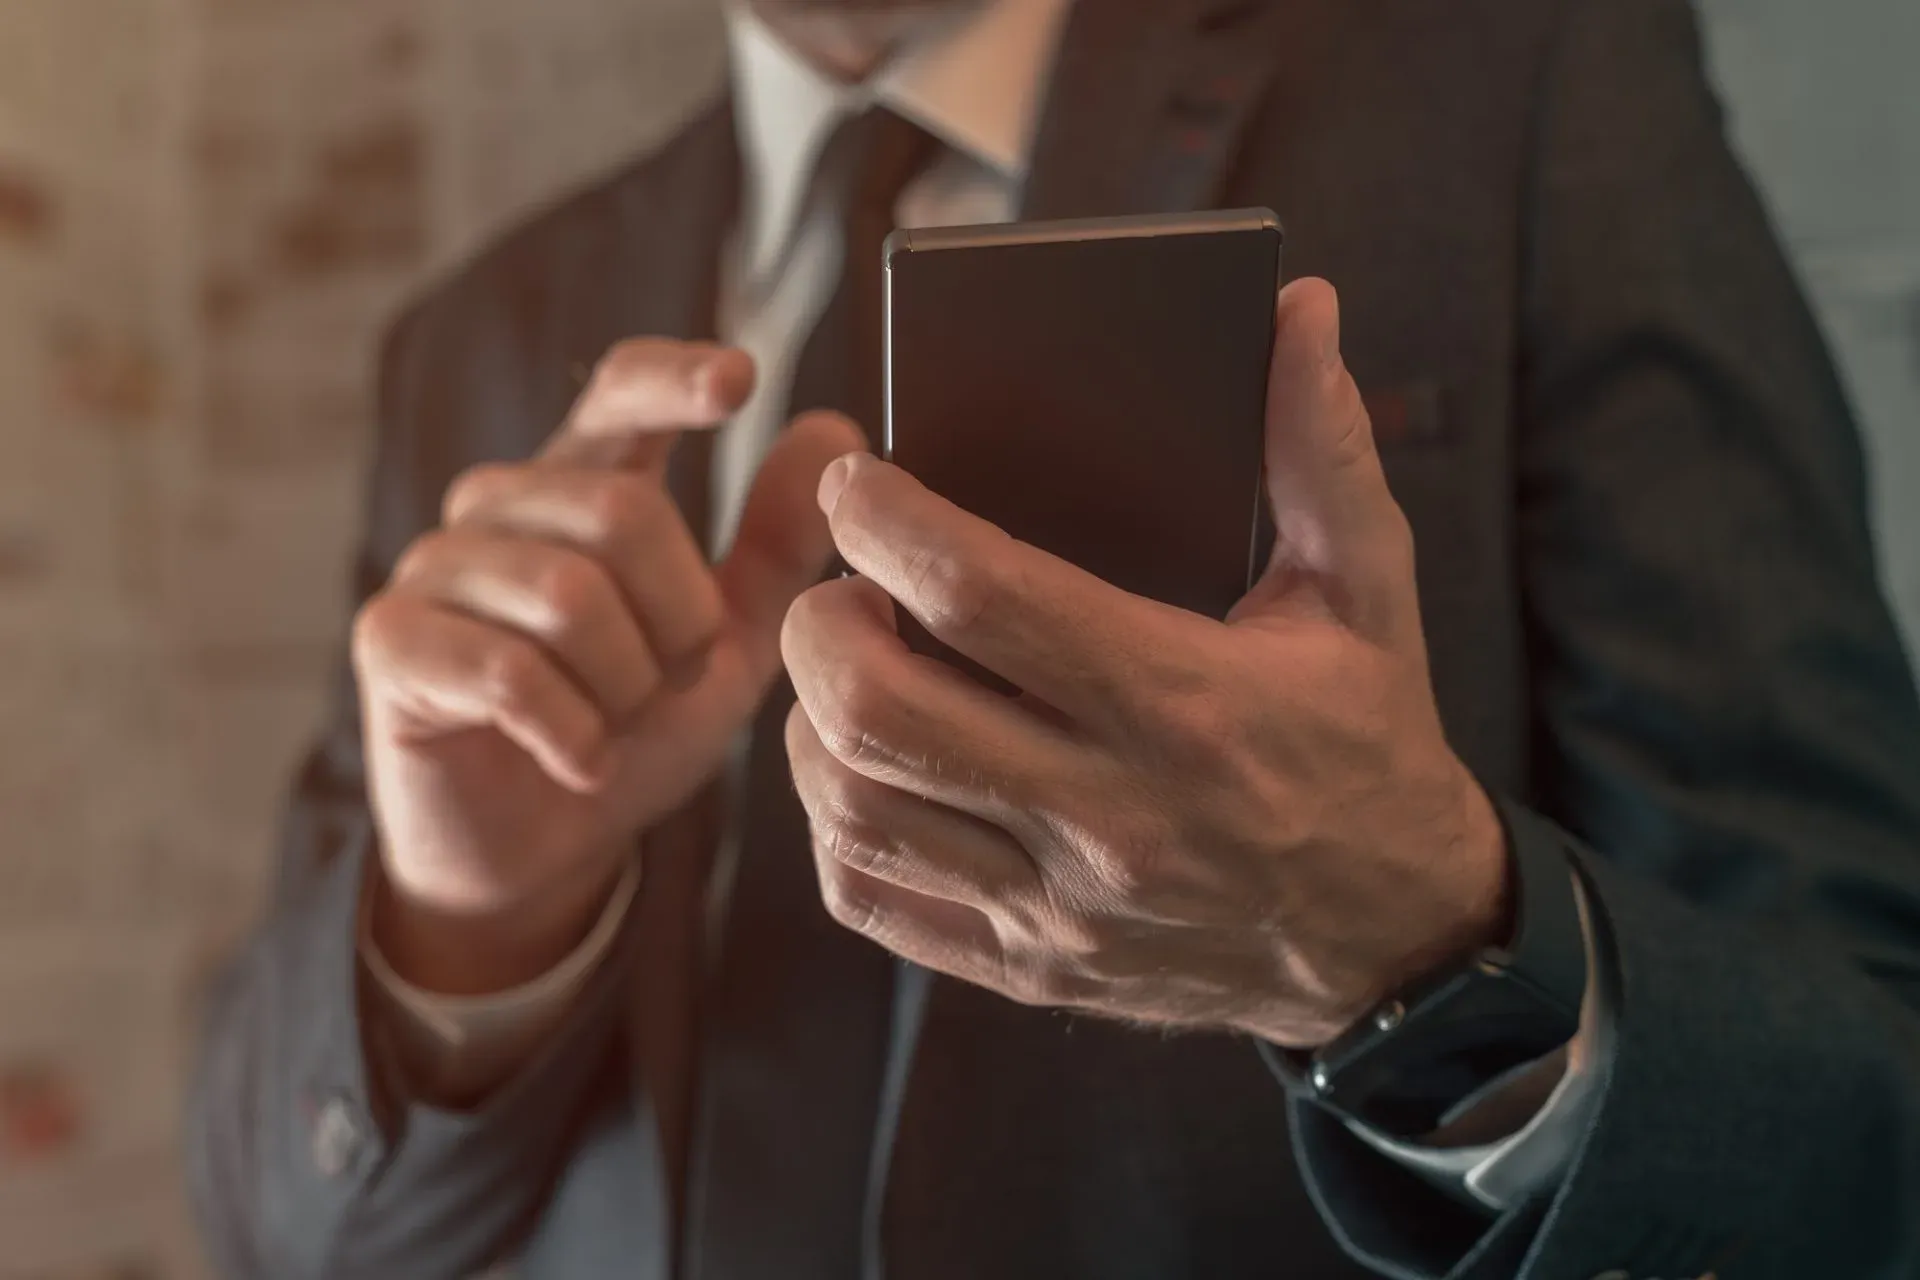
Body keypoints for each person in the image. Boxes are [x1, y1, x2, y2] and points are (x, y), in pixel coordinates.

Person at [185, 0, 1920, 1275]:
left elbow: (1863, 1090)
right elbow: (283, 1221)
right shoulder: (479, 335)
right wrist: (469, 931)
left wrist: (1417, 953)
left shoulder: (1526, 89)